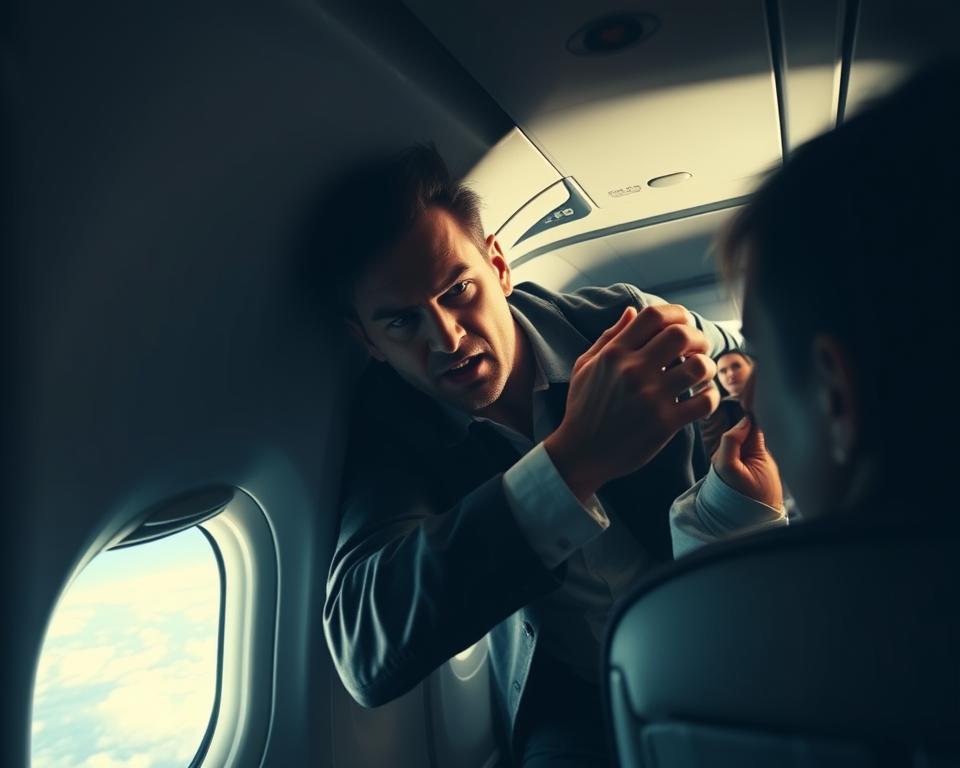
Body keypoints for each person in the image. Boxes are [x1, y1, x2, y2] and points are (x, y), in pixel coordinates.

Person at [319, 145, 740, 766]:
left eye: (459, 290)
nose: (448, 339)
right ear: (368, 343)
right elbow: (364, 649)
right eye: (403, 324)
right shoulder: (393, 429)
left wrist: (726, 398)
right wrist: (572, 462)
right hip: (576, 695)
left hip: (722, 626)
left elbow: (741, 358)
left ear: (498, 266)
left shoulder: (617, 320)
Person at [670, 60, 959, 558]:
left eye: (760, 355)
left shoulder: (830, 629)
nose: (753, 396)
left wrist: (731, 526)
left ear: (837, 396)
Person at [698, 350, 753, 459]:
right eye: (723, 371)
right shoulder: (716, 411)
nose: (730, 374)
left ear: (751, 367)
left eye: (736, 366)